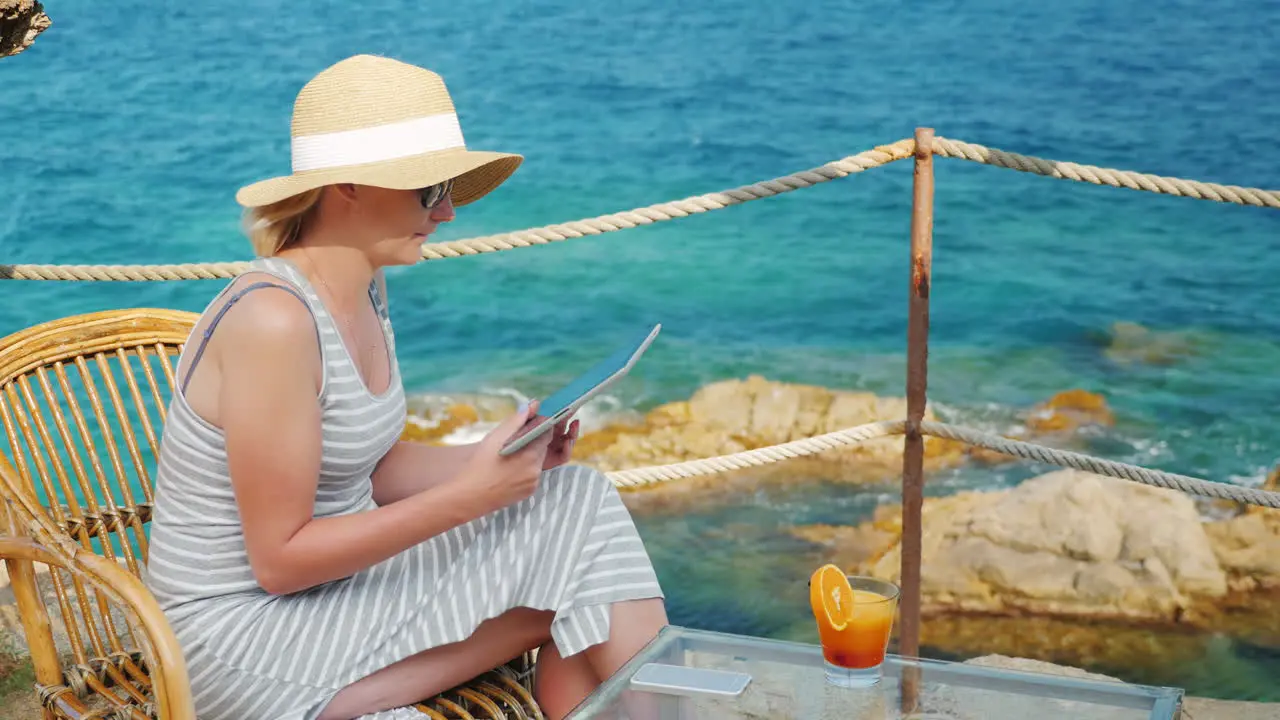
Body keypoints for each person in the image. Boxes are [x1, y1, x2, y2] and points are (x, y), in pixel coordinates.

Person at [145, 54, 668, 720]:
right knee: (576, 565)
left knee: (577, 504)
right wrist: (471, 498)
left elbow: (373, 464)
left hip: (329, 600)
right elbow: (279, 562)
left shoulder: (364, 286)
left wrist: (500, 461)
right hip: (244, 643)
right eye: (430, 190)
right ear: (349, 188)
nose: (448, 212)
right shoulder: (273, 322)